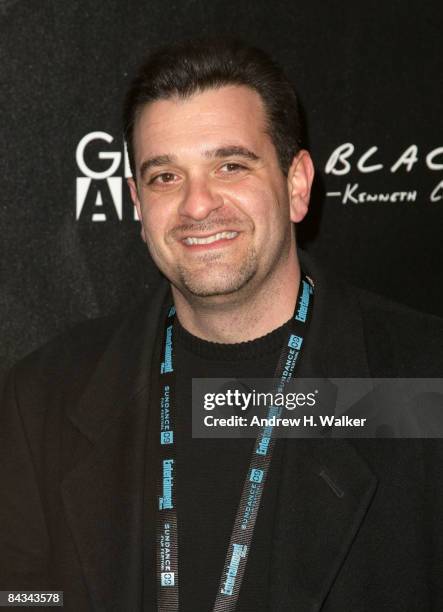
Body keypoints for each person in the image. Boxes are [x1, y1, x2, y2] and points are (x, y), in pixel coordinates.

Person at [1, 38, 443, 612]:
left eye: (230, 165)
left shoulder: (422, 383)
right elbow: (19, 595)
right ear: (137, 203)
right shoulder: (43, 396)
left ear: (297, 185)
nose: (197, 205)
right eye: (165, 177)